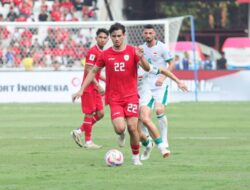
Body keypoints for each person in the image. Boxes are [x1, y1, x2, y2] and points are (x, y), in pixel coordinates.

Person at [72, 23, 151, 165]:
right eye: (114, 36)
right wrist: (81, 89)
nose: (116, 39)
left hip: (131, 97)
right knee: (120, 128)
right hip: (114, 98)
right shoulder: (105, 54)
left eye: (119, 36)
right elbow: (93, 71)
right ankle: (121, 134)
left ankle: (135, 158)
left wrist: (142, 57)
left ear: (124, 36)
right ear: (111, 38)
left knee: (133, 128)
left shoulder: (133, 51)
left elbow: (147, 68)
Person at [137, 64, 188, 160]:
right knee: (134, 131)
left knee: (146, 118)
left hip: (145, 96)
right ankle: (148, 144)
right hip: (130, 98)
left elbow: (164, 70)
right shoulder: (122, 67)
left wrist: (178, 82)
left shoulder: (143, 66)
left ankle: (162, 146)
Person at [71, 28, 109, 149]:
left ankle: (79, 131)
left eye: (104, 38)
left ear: (108, 40)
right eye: (100, 37)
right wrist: (98, 84)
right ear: (96, 38)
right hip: (89, 87)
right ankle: (88, 142)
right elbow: (89, 70)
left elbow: (96, 72)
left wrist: (106, 80)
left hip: (95, 87)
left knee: (101, 113)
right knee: (89, 113)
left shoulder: (102, 52)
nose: (102, 39)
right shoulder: (93, 51)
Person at [141, 24, 176, 151]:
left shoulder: (162, 47)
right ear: (143, 34)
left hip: (161, 86)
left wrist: (163, 77)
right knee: (143, 116)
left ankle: (165, 140)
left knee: (159, 111)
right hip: (146, 86)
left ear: (155, 34)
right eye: (146, 33)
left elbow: (172, 63)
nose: (148, 35)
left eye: (150, 33)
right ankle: (147, 138)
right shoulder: (141, 49)